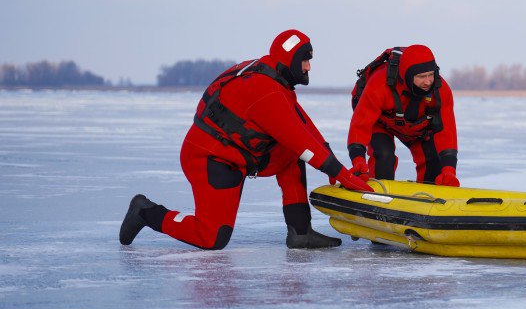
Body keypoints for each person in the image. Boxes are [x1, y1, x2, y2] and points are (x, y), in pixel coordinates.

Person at [119, 29, 374, 250]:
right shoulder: (266, 92)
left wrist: (335, 171)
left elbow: (303, 124)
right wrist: (347, 178)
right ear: (290, 60)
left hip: (240, 154)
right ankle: (145, 211)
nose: (308, 67)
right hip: (210, 158)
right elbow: (303, 143)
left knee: (289, 155)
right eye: (305, 60)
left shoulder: (273, 74)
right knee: (212, 237)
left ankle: (300, 232)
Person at [346, 45, 459, 186]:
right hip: (381, 122)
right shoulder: (379, 84)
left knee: (434, 160)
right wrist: (358, 162)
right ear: (407, 75)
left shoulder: (441, 91)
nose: (428, 81)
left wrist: (449, 171)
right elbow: (360, 125)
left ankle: (427, 198)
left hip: (416, 126)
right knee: (384, 155)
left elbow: (447, 132)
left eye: (431, 74)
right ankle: (378, 194)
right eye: (421, 76)